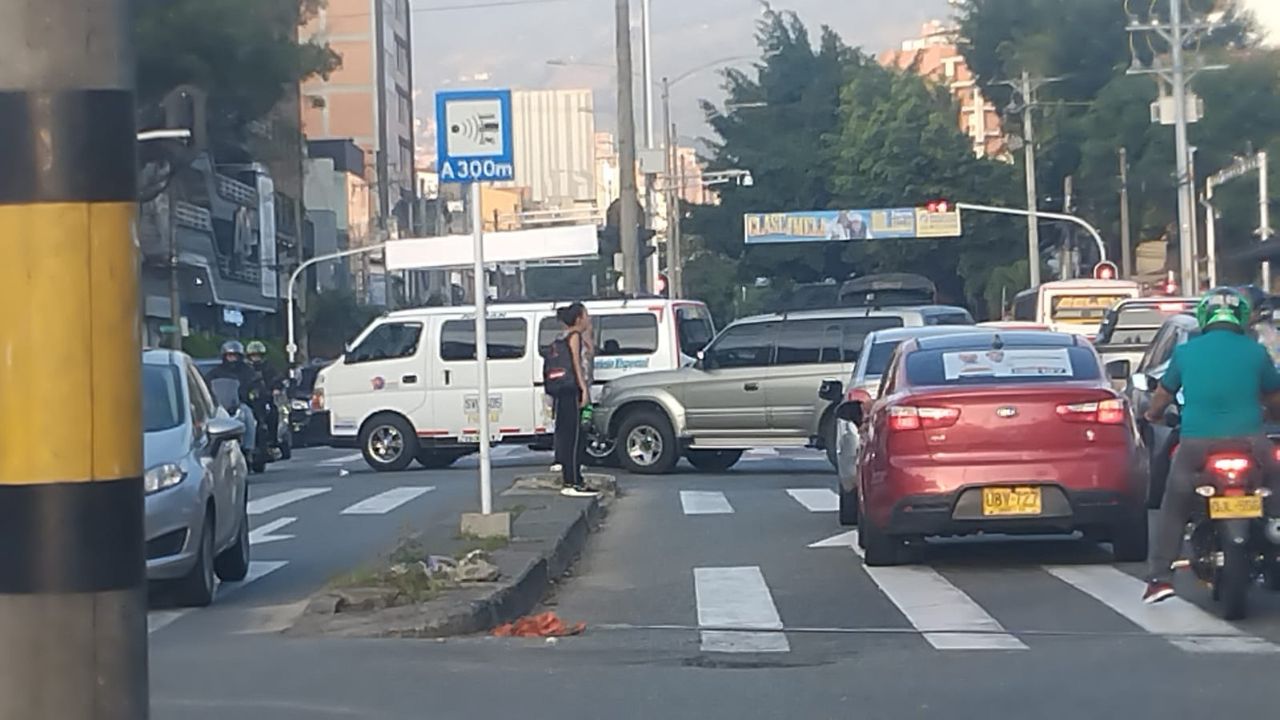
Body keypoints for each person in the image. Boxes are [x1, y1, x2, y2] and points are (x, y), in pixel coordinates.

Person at [1142, 287, 1280, 604]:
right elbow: (1275, 398)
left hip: (1196, 443)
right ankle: (1274, 524)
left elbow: (1162, 396)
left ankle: (1160, 578)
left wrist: (1152, 415)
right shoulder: (1256, 352)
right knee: (1275, 482)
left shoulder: (1186, 352)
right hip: (1251, 441)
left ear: (1205, 317)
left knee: (1175, 503)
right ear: (1241, 318)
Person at [553, 303, 599, 498]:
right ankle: (571, 482)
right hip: (573, 390)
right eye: (586, 315)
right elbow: (576, 365)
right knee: (573, 437)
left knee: (570, 434)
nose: (588, 318)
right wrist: (584, 390)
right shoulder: (574, 337)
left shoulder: (564, 336)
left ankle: (575, 479)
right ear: (579, 318)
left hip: (563, 390)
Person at [207, 340, 260, 454]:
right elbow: (206, 385)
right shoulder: (216, 372)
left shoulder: (247, 371)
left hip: (239, 403)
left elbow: (256, 383)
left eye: (235, 356)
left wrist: (254, 391)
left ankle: (248, 448)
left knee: (248, 416)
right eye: (229, 356)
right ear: (224, 356)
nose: (232, 359)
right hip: (220, 406)